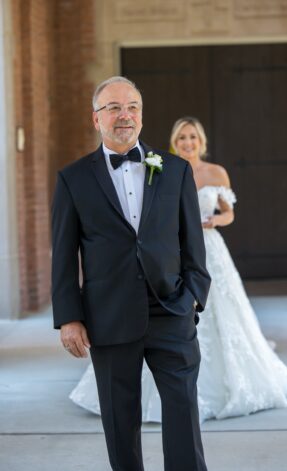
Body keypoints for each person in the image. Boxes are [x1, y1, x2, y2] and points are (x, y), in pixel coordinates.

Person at [70, 116, 287, 422]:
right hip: (171, 252)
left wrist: (215, 221)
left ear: (201, 141)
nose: (187, 143)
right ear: (174, 142)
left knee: (222, 314)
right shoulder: (157, 165)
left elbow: (229, 212)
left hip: (210, 249)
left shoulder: (216, 172)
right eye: (182, 138)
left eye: (192, 137)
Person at [53, 76, 211, 470]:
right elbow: (63, 253)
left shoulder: (174, 170)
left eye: (132, 107)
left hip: (171, 308)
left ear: (141, 115)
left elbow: (193, 243)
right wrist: (69, 317)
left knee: (182, 414)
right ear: (96, 119)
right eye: (113, 108)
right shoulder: (72, 179)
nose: (124, 115)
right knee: (120, 420)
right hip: (108, 316)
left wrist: (193, 293)